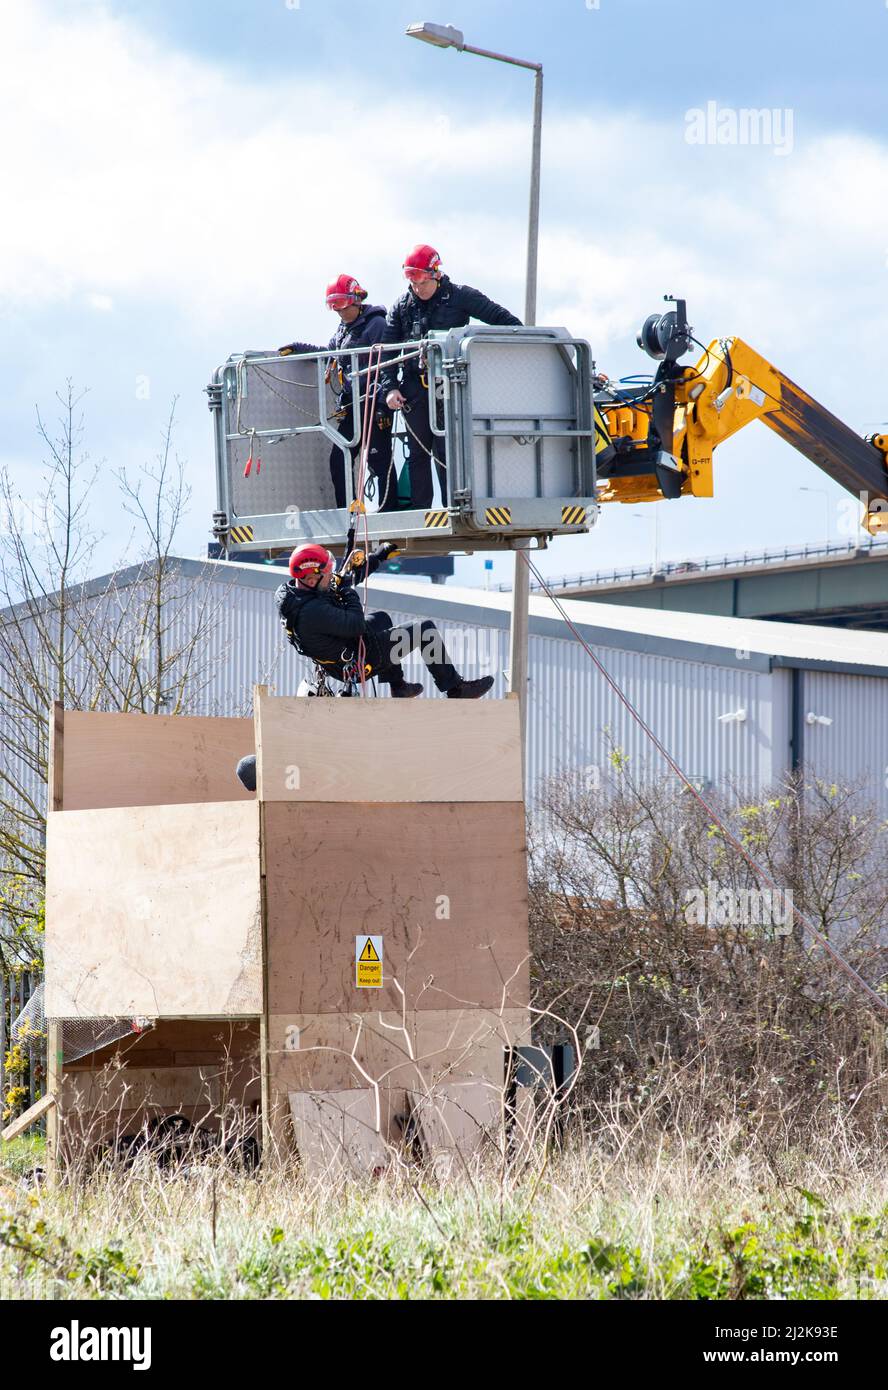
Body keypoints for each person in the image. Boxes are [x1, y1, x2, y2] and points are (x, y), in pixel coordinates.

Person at [379, 245, 522, 509]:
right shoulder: (401, 306)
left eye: (421, 280)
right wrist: (390, 389)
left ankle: (452, 508)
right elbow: (386, 352)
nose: (417, 287)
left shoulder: (462, 297)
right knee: (417, 452)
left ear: (435, 274)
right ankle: (421, 511)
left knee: (447, 450)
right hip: (414, 389)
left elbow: (507, 322)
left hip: (450, 387)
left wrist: (486, 361)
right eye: (411, 281)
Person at [276, 543, 495, 699]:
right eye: (326, 573)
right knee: (424, 630)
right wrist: (347, 590)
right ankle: (455, 689)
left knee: (381, 619)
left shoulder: (298, 594)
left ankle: (398, 686)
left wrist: (378, 557)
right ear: (311, 578)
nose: (331, 575)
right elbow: (355, 623)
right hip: (358, 661)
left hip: (343, 651)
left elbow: (339, 583)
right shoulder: (312, 611)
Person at [279, 275, 398, 511]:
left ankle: (389, 509)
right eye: (334, 306)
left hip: (374, 405)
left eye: (342, 305)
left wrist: (383, 406)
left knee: (379, 458)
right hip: (353, 405)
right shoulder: (345, 329)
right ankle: (348, 511)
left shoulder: (377, 326)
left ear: (355, 299)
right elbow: (329, 353)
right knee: (339, 459)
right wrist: (299, 348)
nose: (339, 311)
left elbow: (388, 364)